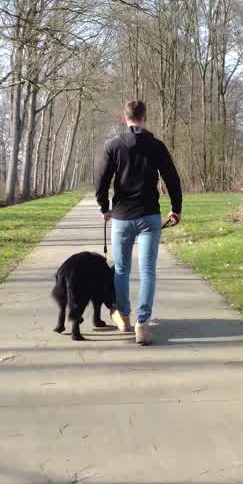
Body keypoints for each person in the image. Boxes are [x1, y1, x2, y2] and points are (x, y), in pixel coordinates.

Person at [94, 100, 183, 345]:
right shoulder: (157, 146)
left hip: (122, 217)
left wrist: (104, 207)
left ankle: (123, 316)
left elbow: (101, 180)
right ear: (145, 117)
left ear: (124, 118)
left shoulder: (113, 146)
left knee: (121, 270)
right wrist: (176, 209)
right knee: (148, 270)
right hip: (149, 216)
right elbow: (172, 179)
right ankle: (142, 324)